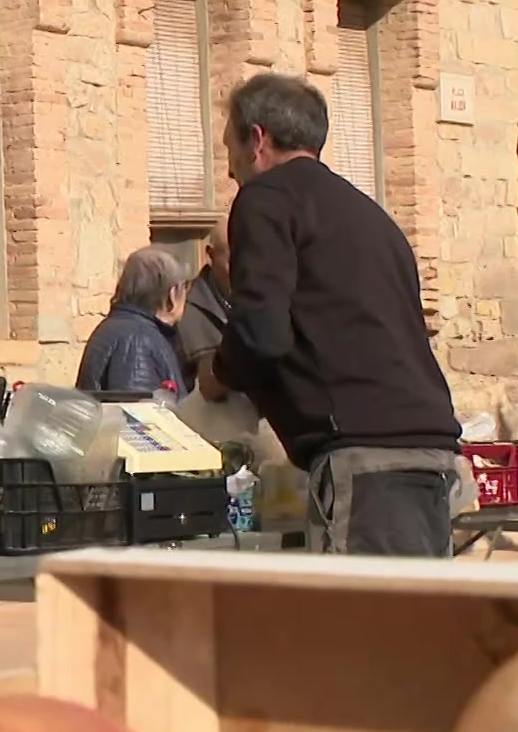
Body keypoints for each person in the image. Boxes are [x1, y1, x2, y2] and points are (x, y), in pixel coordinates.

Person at [197, 73, 461, 557]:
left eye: (229, 148)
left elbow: (260, 331)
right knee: (414, 606)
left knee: (358, 606)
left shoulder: (266, 198)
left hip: (366, 456)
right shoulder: (371, 216)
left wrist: (217, 374)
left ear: (257, 139)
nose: (230, 170)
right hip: (430, 453)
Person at [75, 247, 191, 397]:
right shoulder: (138, 340)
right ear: (172, 294)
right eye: (185, 287)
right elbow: (135, 408)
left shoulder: (121, 328)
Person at [175, 217, 232, 391]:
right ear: (210, 255)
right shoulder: (181, 311)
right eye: (233, 261)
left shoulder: (275, 304)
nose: (245, 270)